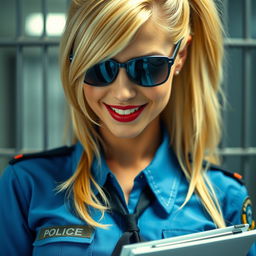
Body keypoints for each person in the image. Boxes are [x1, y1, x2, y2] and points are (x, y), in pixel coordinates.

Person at [0, 0, 255, 255]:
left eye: (147, 67)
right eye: (100, 67)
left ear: (180, 56)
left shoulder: (225, 198)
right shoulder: (26, 186)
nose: (123, 93)